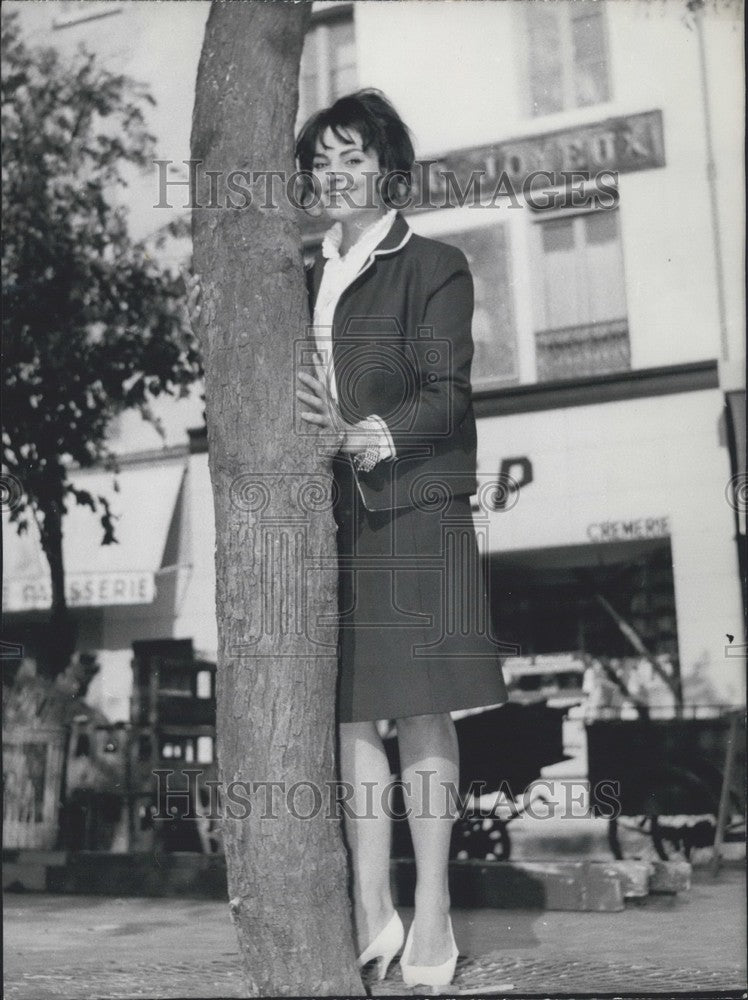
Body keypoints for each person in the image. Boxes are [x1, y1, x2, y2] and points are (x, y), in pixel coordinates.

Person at [295, 89, 508, 989]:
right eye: (321, 162)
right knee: (347, 713)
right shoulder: (303, 276)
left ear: (388, 169)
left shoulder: (435, 265)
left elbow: (446, 391)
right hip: (331, 520)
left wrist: (359, 432)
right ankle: (368, 909)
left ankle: (433, 915)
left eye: (353, 158)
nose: (333, 175)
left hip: (414, 510)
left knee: (420, 708)